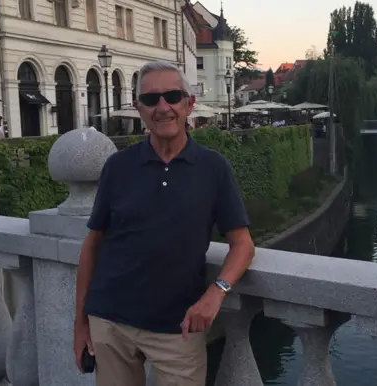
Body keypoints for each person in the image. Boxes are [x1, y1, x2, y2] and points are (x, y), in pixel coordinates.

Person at [73, 60, 255, 386]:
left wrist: (216, 292)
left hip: (177, 328)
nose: (163, 107)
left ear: (189, 103)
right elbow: (93, 244)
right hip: (110, 322)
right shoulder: (118, 167)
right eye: (151, 99)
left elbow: (242, 245)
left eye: (172, 96)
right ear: (138, 108)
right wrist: (81, 323)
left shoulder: (214, 168)